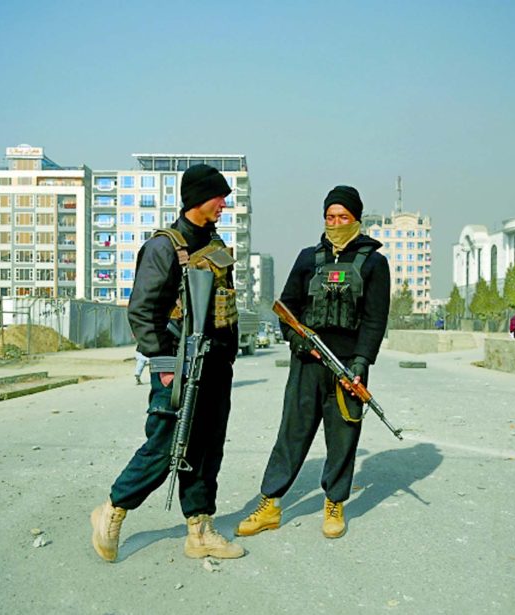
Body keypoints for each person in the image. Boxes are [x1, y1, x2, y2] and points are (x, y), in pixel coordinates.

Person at [90, 163, 244, 562]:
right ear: (198, 199)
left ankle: (199, 529)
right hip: (178, 366)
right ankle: (112, 510)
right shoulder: (163, 247)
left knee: (207, 449)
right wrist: (163, 363)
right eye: (218, 197)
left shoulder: (214, 244)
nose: (224, 204)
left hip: (215, 366)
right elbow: (142, 311)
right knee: (165, 447)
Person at [236, 185, 390, 540]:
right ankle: (270, 504)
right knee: (291, 433)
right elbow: (287, 309)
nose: (336, 223)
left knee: (342, 437)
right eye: (330, 217)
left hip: (347, 367)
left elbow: (374, 320)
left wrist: (361, 363)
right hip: (306, 363)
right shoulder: (308, 258)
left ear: (356, 219)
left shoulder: (375, 263)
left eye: (343, 217)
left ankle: (334, 502)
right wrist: (299, 344)